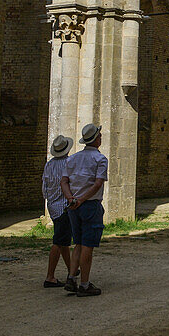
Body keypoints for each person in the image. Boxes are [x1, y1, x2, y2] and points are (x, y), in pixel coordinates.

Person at [60, 123, 108, 297]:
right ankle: (85, 284)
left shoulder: (72, 158)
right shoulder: (100, 159)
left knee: (78, 243)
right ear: (95, 139)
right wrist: (82, 199)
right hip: (89, 205)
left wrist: (71, 199)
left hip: (73, 206)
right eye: (100, 136)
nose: (101, 138)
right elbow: (97, 184)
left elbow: (64, 181)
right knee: (88, 245)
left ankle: (71, 278)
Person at [41, 134, 75, 289]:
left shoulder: (49, 165)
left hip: (53, 206)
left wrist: (50, 199)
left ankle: (72, 271)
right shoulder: (69, 163)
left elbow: (44, 187)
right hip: (64, 207)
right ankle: (50, 277)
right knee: (58, 241)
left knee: (63, 241)